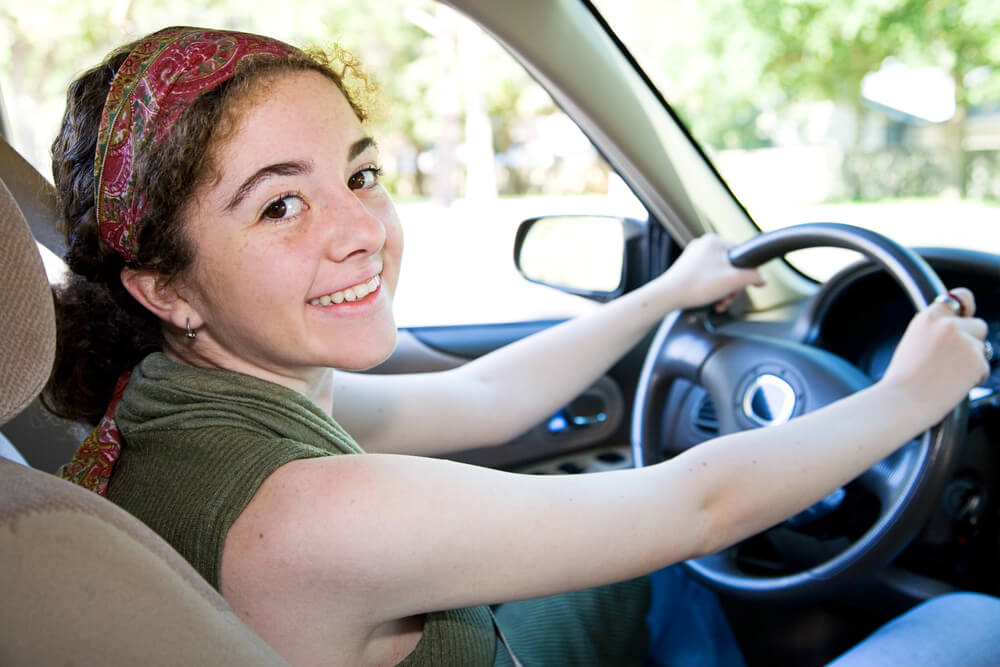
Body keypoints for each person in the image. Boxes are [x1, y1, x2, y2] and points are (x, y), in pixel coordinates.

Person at [44, 27, 999, 667]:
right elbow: (699, 502)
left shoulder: (172, 393)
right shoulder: (311, 513)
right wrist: (910, 396)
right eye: (281, 204)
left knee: (657, 573)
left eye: (361, 172)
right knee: (975, 619)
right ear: (163, 286)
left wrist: (661, 294)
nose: (361, 229)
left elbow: (482, 401)